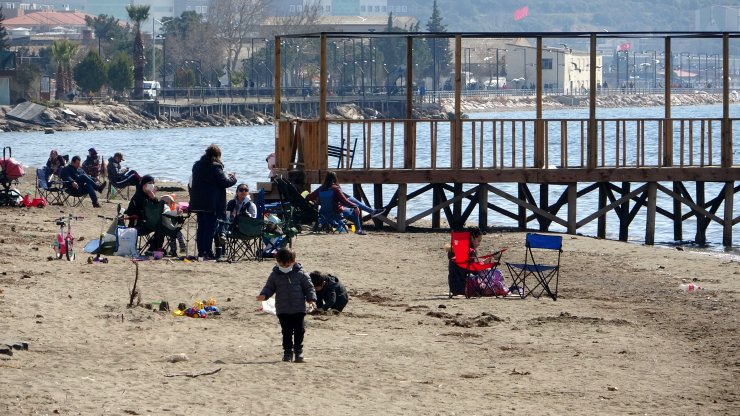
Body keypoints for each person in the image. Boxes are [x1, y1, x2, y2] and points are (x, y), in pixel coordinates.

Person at [256, 248, 317, 363]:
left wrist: (311, 300)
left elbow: (309, 288)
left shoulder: (301, 274)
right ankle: (287, 352)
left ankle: (298, 351)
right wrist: (264, 295)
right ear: (277, 262)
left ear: (293, 261)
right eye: (281, 265)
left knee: (300, 330)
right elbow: (269, 287)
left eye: (287, 265)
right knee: (286, 331)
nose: (284, 267)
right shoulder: (275, 275)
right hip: (282, 309)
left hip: (298, 308)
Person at [189, 144, 237, 259]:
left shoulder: (196, 165)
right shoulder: (215, 166)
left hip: (197, 201)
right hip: (211, 202)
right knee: (210, 227)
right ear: (217, 155)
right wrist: (233, 179)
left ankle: (201, 251)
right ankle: (207, 252)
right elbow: (225, 183)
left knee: (202, 227)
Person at [305, 171, 382, 235]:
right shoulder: (336, 189)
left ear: (326, 179)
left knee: (351, 203)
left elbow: (308, 198)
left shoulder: (320, 189)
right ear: (335, 179)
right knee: (353, 210)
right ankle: (358, 229)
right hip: (336, 214)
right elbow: (345, 201)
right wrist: (355, 206)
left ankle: (368, 214)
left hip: (324, 215)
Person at [124, 175, 164, 252]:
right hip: (138, 225)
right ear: (144, 185)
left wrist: (154, 198)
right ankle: (153, 247)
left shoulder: (148, 195)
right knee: (159, 226)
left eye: (153, 183)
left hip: (148, 222)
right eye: (149, 183)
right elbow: (131, 212)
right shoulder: (138, 196)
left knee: (162, 226)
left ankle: (153, 248)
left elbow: (156, 209)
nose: (151, 185)